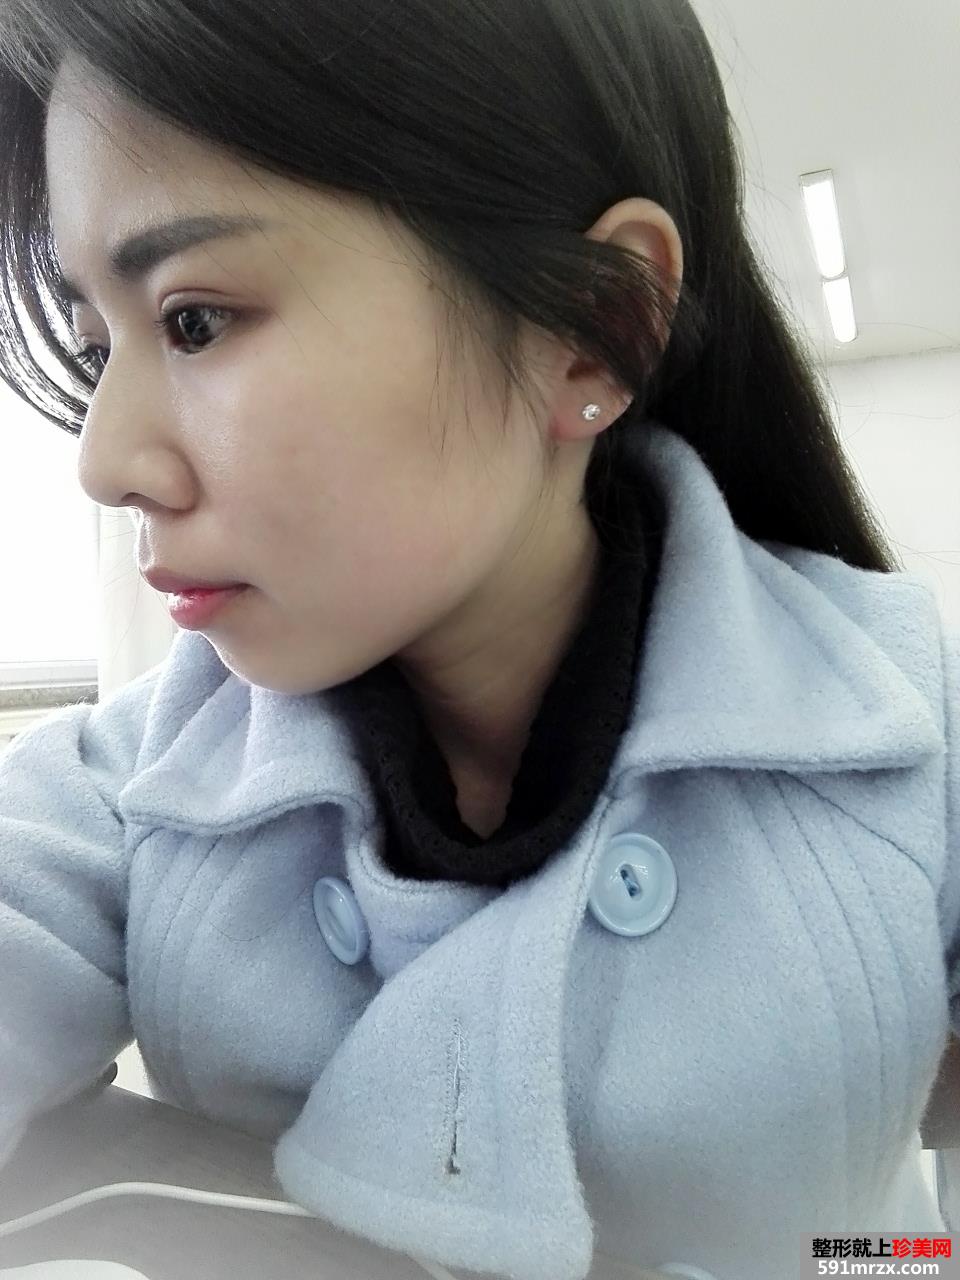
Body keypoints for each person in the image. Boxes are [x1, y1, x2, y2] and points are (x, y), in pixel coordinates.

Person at [0, 3, 956, 1279]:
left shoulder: (912, 723)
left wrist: (862, 1263)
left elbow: (915, 1235)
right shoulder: (128, 792)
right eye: (96, 342)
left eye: (195, 320)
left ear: (594, 328)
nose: (105, 461)